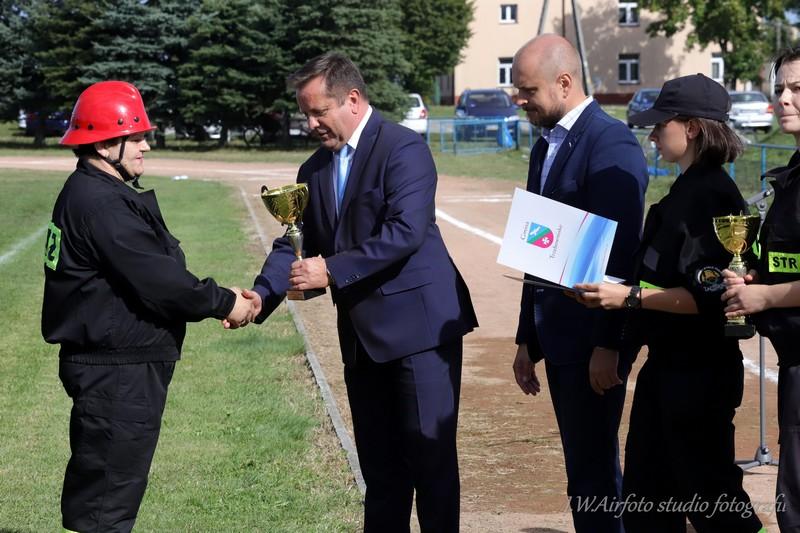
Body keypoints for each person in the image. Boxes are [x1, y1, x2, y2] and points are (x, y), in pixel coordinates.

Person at [242, 52, 477, 532]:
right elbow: (293, 240)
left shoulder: (403, 148)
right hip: (362, 342)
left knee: (431, 467)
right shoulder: (314, 169)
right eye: (305, 114)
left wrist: (330, 269)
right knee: (382, 474)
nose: (310, 124)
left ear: (352, 99)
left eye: (318, 112)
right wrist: (261, 295)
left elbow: (405, 231)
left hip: (420, 335)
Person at [41, 81, 258, 533]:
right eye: (136, 137)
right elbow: (163, 283)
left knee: (105, 499)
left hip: (116, 370)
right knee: (106, 509)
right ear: (104, 143)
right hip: (117, 375)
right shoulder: (101, 203)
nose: (146, 146)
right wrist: (226, 302)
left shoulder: (94, 191)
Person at [574, 73, 763, 532]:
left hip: (700, 372)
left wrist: (628, 297)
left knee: (713, 500)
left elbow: (709, 298)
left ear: (692, 128)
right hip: (667, 368)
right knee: (648, 499)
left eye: (661, 125)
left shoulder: (711, 195)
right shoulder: (687, 190)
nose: (653, 135)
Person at [509, 34, 649, 532]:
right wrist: (528, 338)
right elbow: (536, 251)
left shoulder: (610, 143)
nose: (519, 100)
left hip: (593, 341)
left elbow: (620, 253)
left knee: (593, 472)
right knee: (582, 469)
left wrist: (608, 344)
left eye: (528, 90)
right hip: (559, 336)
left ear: (564, 83)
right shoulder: (545, 146)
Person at [723, 46, 800, 531]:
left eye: (798, 89)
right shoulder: (795, 170)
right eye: (780, 89)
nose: (784, 99)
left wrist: (766, 297)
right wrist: (756, 277)